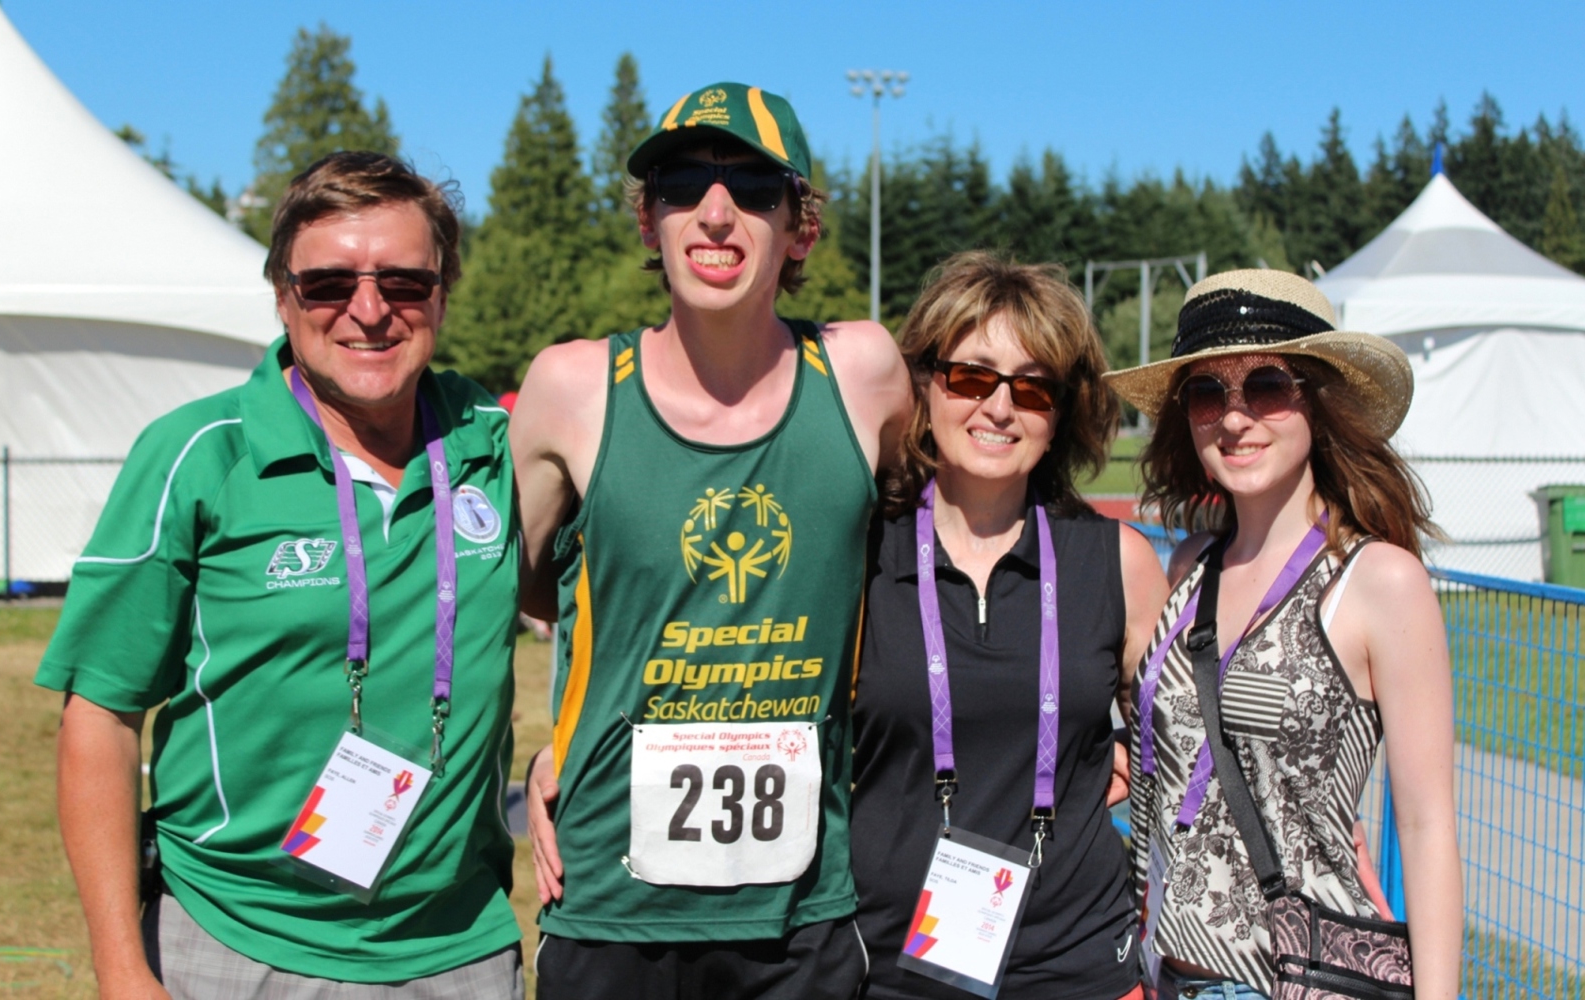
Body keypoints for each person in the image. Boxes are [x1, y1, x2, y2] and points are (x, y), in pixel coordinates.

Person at [38, 152, 525, 998]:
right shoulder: (199, 453)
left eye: (405, 284)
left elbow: (616, 598)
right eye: (329, 284)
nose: (369, 312)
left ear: (442, 293)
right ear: (281, 294)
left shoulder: (496, 442)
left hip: (456, 950)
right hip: (234, 941)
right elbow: (101, 718)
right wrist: (120, 966)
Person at [511, 83, 911, 998]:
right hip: (610, 896)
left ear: (800, 230)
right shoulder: (572, 389)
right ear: (649, 223)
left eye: (756, 191)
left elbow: (930, 557)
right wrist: (561, 740)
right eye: (683, 185)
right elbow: (533, 593)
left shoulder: (862, 375)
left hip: (799, 915)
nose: (717, 213)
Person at [1107, 270, 1461, 999]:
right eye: (1208, 394)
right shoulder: (1185, 571)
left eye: (1266, 386)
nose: (1234, 419)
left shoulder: (1376, 581)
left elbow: (1426, 827)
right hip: (1168, 973)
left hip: (1300, 982)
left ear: (1318, 404)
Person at [851, 251, 1169, 1000]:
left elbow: (1189, 748)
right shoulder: (859, 553)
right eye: (971, 377)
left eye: (1032, 388)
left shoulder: (1116, 562)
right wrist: (561, 755)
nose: (999, 407)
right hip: (889, 968)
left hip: (1080, 965)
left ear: (1060, 416)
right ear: (926, 385)